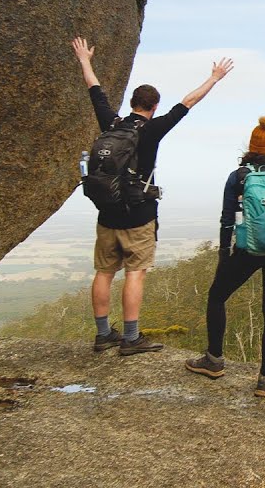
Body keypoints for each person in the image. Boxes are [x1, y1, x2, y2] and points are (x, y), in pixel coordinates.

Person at [70, 36, 233, 356]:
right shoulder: (154, 128)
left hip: (108, 212)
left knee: (104, 272)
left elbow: (96, 93)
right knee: (135, 273)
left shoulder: (112, 123)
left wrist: (85, 60)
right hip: (140, 215)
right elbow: (188, 102)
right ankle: (131, 338)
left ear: (133, 103)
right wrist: (214, 78)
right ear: (153, 106)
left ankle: (103, 334)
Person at [186, 116, 265, 397]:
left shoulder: (239, 177)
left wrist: (224, 254)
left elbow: (227, 219)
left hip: (245, 251)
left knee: (217, 296)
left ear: (251, 147)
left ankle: (214, 361)